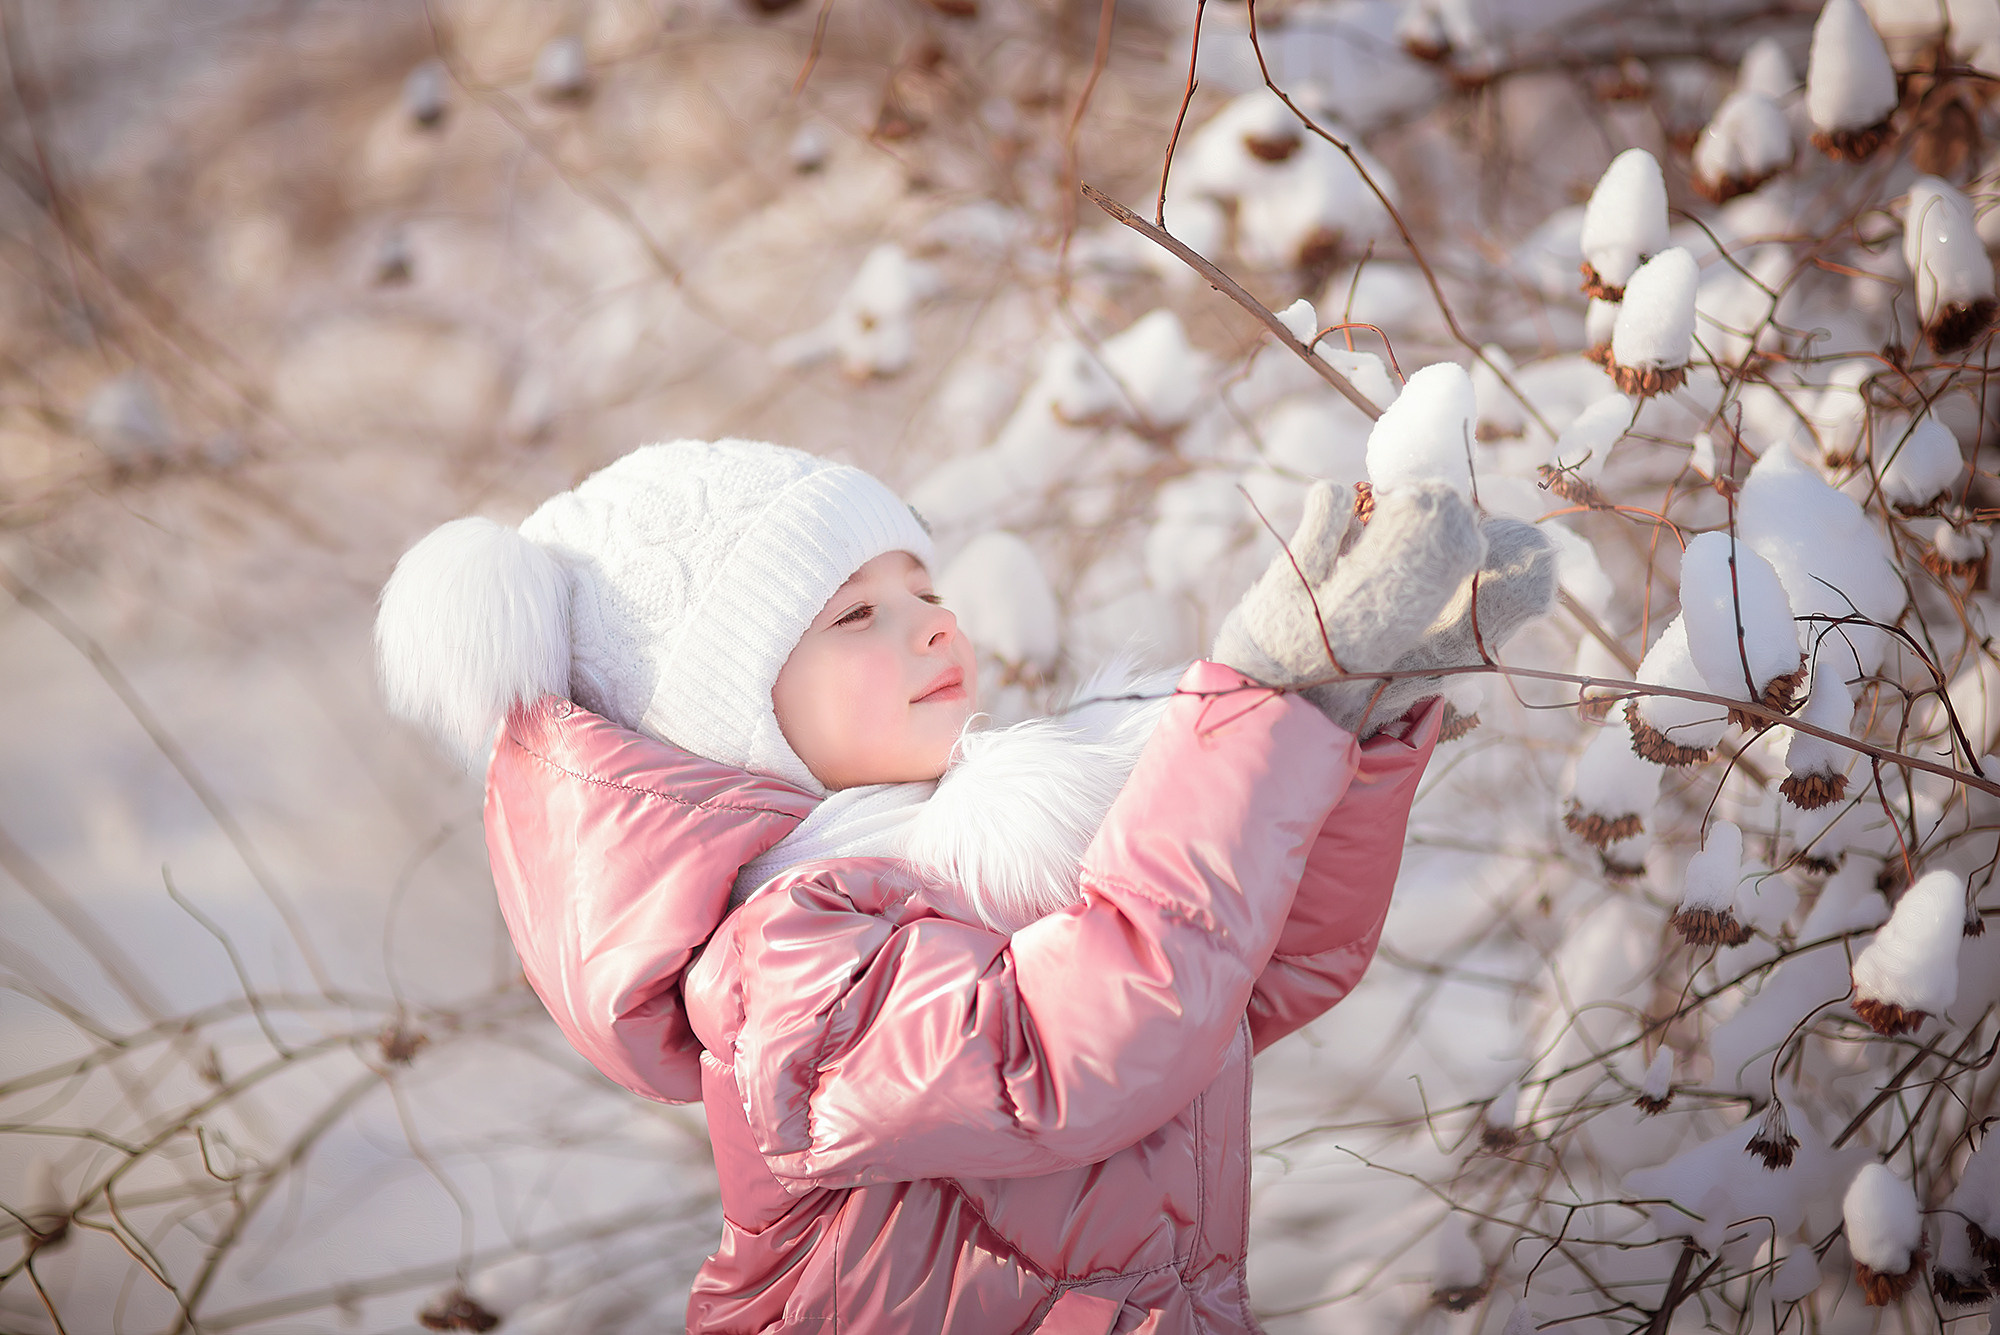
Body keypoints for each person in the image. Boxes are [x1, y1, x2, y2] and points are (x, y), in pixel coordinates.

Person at [374, 437, 1556, 1333]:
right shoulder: (778, 959)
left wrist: (1342, 722)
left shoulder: (988, 859)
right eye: (857, 614)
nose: (933, 628)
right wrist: (1251, 713)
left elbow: (1247, 974)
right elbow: (1067, 1053)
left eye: (925, 592)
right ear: (728, 723)